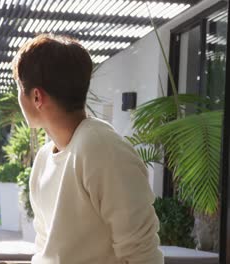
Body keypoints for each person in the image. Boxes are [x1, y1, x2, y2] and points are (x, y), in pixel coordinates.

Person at [12, 34, 164, 264]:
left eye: (18, 88)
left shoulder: (102, 148)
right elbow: (45, 247)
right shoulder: (44, 159)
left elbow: (142, 254)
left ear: (36, 96)